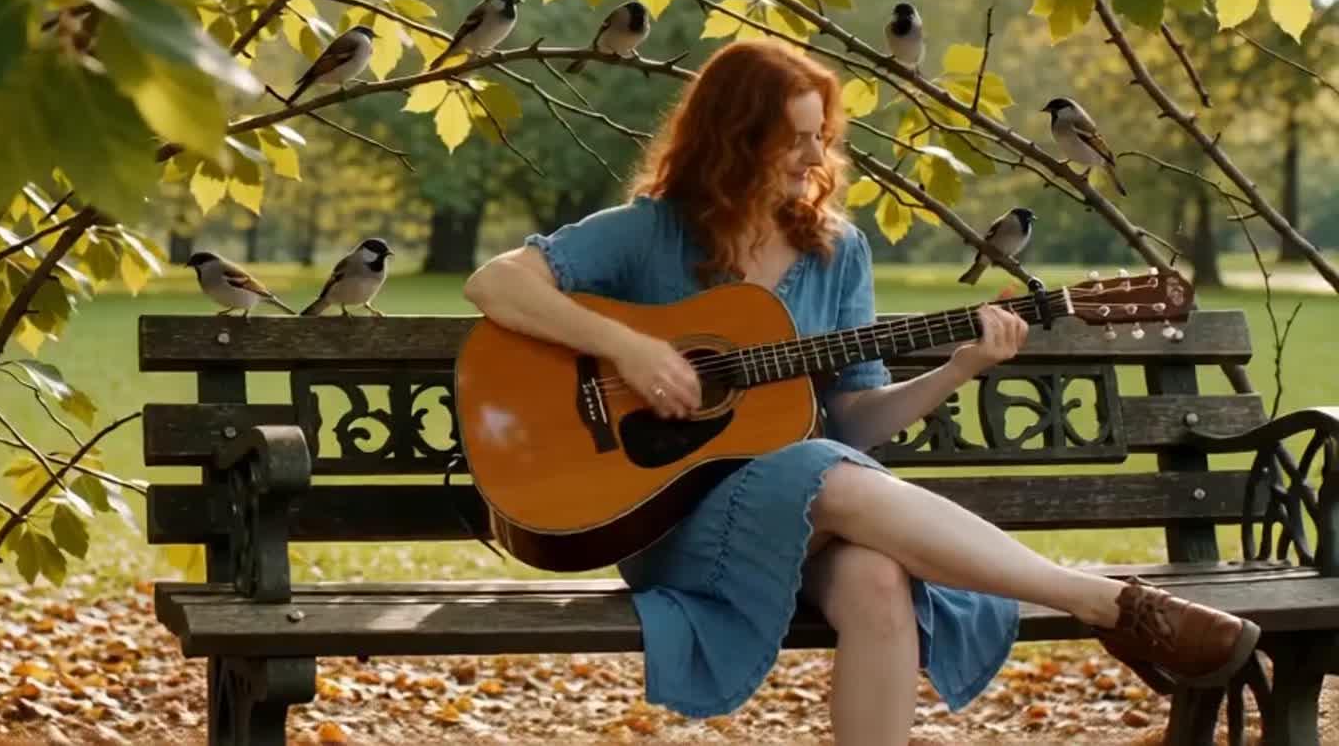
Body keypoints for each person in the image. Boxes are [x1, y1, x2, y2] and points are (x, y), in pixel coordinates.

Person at [461, 40, 1260, 745]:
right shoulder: (651, 231)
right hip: (671, 526)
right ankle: (1105, 604)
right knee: (818, 464)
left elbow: (855, 421)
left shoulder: (837, 252)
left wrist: (956, 371)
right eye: (793, 140)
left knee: (877, 577)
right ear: (733, 143)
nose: (817, 159)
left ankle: (1109, 608)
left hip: (811, 506)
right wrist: (627, 348)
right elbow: (495, 283)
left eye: (821, 136)